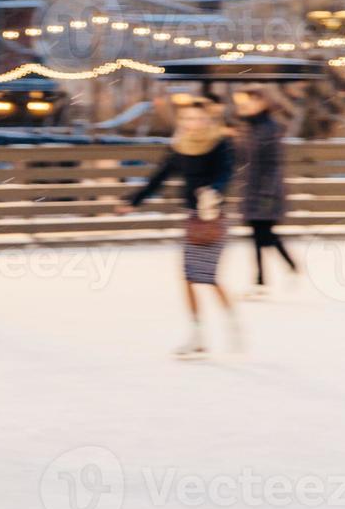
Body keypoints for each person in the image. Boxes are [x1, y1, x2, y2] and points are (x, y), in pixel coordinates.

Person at [118, 97, 240, 359]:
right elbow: (159, 177)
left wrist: (214, 192)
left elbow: (226, 173)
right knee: (188, 277)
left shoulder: (220, 143)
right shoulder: (179, 147)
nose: (192, 124)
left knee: (207, 278)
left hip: (214, 217)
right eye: (187, 119)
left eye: (198, 118)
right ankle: (197, 335)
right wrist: (134, 200)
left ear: (208, 120)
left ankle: (232, 325)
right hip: (193, 218)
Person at [233, 88, 297, 297]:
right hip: (253, 190)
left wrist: (267, 194)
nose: (245, 105)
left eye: (250, 101)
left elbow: (273, 163)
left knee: (263, 234)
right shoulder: (248, 127)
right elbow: (242, 157)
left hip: (266, 192)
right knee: (260, 235)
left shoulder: (269, 128)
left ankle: (266, 277)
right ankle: (269, 275)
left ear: (262, 103)